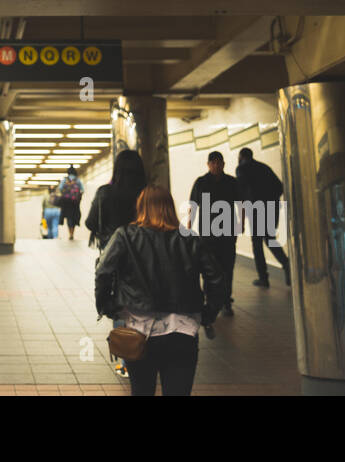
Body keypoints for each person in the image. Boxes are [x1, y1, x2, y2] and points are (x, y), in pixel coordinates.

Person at [94, 184, 227, 396]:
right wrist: (208, 313)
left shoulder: (125, 236)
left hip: (138, 332)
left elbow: (103, 271)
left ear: (140, 208)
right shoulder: (190, 238)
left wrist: (107, 306)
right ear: (170, 208)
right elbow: (217, 278)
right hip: (183, 331)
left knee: (141, 391)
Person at [85, 148, 150, 377]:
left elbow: (91, 222)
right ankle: (147, 349)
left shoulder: (105, 193)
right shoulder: (147, 193)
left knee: (119, 305)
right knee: (144, 304)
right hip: (144, 256)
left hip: (114, 257)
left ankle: (125, 359)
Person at [188, 151, 241, 317]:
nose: (216, 166)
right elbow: (193, 205)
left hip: (228, 233)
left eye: (219, 163)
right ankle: (210, 300)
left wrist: (241, 224)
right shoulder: (201, 183)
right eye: (213, 163)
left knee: (227, 268)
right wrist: (189, 225)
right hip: (207, 235)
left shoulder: (232, 182)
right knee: (209, 268)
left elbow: (241, 204)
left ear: (224, 164)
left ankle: (226, 300)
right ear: (208, 165)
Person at [235, 148, 291, 288]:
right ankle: (286, 264)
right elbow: (279, 187)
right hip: (272, 209)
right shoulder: (264, 167)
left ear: (241, 157)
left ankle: (263, 278)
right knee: (270, 239)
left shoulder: (242, 169)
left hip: (256, 211)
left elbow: (240, 192)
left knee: (257, 244)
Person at [54, 166, 84, 239]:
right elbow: (82, 190)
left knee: (68, 217)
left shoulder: (65, 180)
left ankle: (70, 233)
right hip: (75, 202)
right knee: (74, 216)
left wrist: (65, 195)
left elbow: (60, 188)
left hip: (66, 202)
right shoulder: (77, 180)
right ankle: (72, 233)